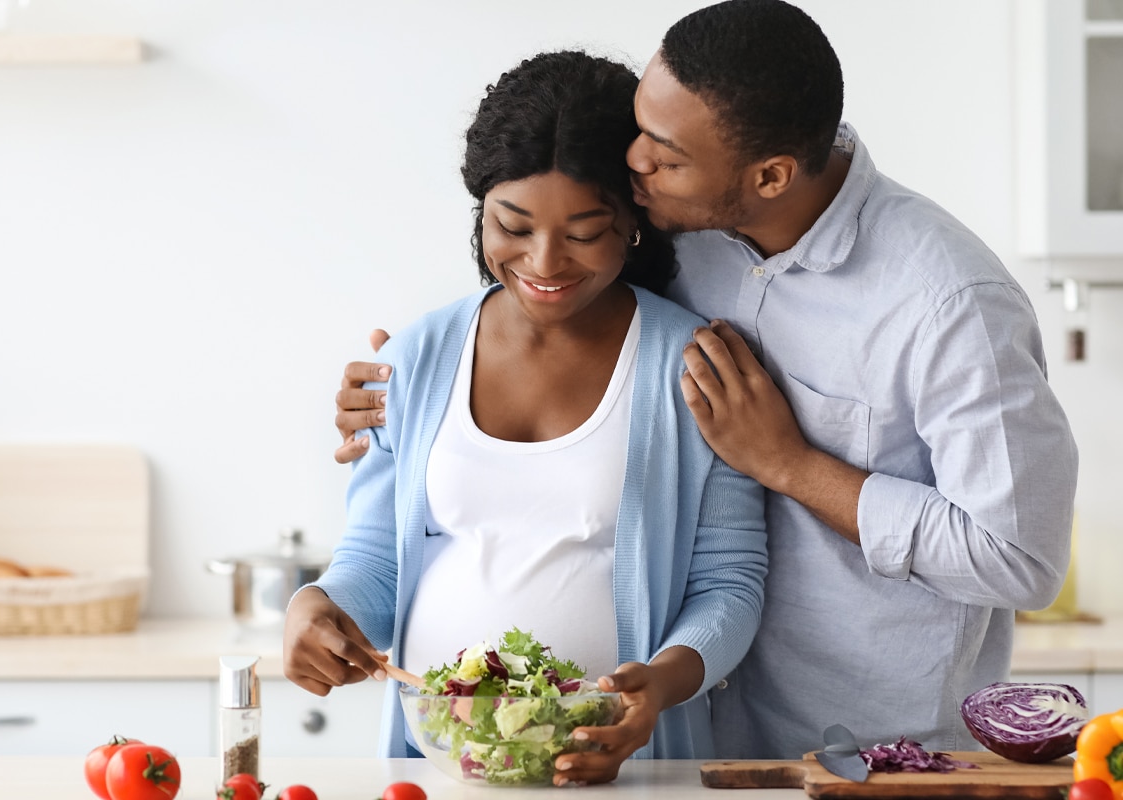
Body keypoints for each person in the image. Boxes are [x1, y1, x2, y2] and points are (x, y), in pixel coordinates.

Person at [331, 0, 1079, 762]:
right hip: (695, 746)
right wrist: (413, 390)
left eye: (663, 153)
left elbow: (1020, 559)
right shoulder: (684, 228)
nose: (634, 165)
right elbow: (545, 279)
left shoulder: (949, 303)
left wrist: (791, 466)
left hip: (869, 748)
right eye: (640, 129)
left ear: (770, 175)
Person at [283, 49, 768, 785]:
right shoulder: (415, 356)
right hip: (439, 763)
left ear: (634, 222)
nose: (545, 262)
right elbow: (376, 558)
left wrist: (662, 684)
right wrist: (316, 607)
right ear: (481, 210)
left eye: (583, 232)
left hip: (622, 769)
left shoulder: (691, 366)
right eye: (512, 225)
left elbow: (729, 583)